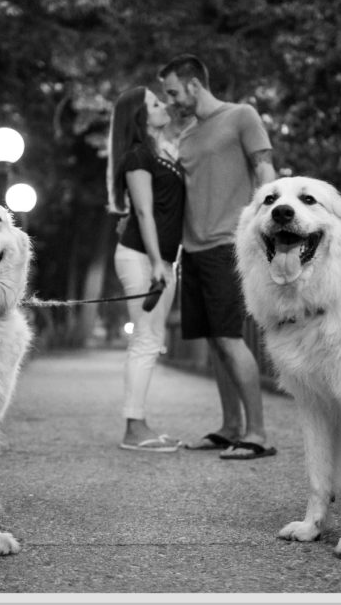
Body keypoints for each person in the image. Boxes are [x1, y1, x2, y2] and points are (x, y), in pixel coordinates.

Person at [158, 54, 278, 461]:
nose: (170, 100)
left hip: (228, 244)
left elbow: (265, 171)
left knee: (230, 338)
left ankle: (258, 434)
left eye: (173, 91)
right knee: (214, 342)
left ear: (194, 84)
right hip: (191, 251)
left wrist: (268, 228)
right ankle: (230, 427)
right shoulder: (188, 136)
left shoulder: (241, 116)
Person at [106, 86, 188, 452]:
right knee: (145, 339)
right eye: (154, 103)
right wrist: (158, 262)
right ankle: (133, 428)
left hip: (160, 258)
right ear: (139, 116)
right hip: (141, 257)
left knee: (152, 340)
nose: (163, 105)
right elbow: (143, 212)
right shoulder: (137, 156)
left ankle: (140, 423)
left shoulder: (161, 152)